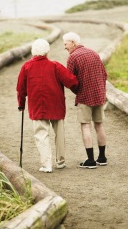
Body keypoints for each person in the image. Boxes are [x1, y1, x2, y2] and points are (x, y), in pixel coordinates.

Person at [16, 38, 78, 173]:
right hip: (56, 104)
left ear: (33, 52)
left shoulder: (26, 67)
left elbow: (20, 89)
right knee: (59, 133)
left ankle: (46, 164)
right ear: (47, 52)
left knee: (41, 134)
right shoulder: (55, 66)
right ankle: (60, 161)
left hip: (37, 106)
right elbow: (72, 81)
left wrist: (21, 105)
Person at [62, 32, 107, 169]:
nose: (64, 47)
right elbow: (104, 74)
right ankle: (102, 157)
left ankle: (91, 160)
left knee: (85, 125)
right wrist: (101, 90)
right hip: (99, 95)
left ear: (73, 42)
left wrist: (77, 91)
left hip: (85, 96)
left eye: (65, 44)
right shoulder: (94, 53)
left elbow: (70, 80)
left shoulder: (73, 57)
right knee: (99, 125)